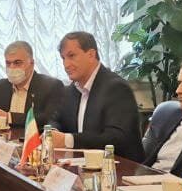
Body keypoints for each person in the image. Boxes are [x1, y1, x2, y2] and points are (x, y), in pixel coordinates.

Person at [53, 31, 145, 161]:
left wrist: (69, 140)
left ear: (91, 55)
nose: (66, 65)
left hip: (120, 167)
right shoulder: (71, 90)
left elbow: (117, 138)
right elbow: (56, 119)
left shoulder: (116, 88)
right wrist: (53, 132)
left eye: (71, 56)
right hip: (82, 165)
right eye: (63, 58)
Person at [0, 40, 64, 130]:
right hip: (3, 138)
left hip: (33, 138)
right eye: (8, 63)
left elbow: (48, 118)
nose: (12, 68)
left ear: (31, 64)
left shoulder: (51, 86)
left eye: (17, 63)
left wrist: (9, 117)